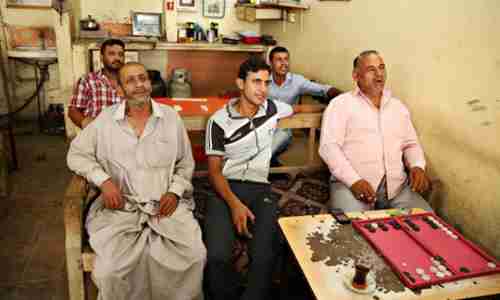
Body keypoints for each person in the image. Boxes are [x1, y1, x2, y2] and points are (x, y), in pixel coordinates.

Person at [67, 62, 206, 300]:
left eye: (142, 78)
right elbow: (76, 154)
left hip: (166, 206)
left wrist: (174, 192)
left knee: (194, 256)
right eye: (130, 81)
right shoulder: (105, 121)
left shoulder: (170, 119)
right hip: (121, 209)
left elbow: (185, 164)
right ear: (119, 90)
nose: (139, 84)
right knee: (110, 270)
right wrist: (104, 181)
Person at [203, 56, 297, 300]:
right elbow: (213, 172)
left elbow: (295, 109)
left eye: (266, 83)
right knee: (217, 256)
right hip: (225, 188)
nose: (263, 89)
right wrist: (234, 205)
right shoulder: (218, 121)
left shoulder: (272, 108)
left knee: (265, 252)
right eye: (256, 82)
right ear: (240, 83)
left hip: (259, 188)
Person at [319, 50, 433, 212]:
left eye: (382, 68)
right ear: (356, 75)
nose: (379, 75)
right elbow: (329, 148)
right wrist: (354, 181)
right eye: (371, 70)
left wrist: (417, 165)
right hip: (351, 186)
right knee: (352, 231)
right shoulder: (340, 105)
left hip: (397, 189)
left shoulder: (397, 107)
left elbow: (410, 144)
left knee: (426, 222)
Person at [268, 46, 342, 165]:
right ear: (270, 63)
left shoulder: (297, 81)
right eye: (279, 60)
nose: (284, 63)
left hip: (284, 128)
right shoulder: (263, 80)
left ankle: (261, 164)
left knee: (271, 146)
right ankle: (268, 164)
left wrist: (343, 97)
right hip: (263, 126)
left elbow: (323, 89)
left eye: (286, 59)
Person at [68, 39, 125, 129]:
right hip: (97, 135)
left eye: (120, 54)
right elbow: (73, 110)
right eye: (111, 54)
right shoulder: (87, 80)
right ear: (102, 57)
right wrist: (88, 127)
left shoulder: (130, 81)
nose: (117, 58)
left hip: (125, 134)